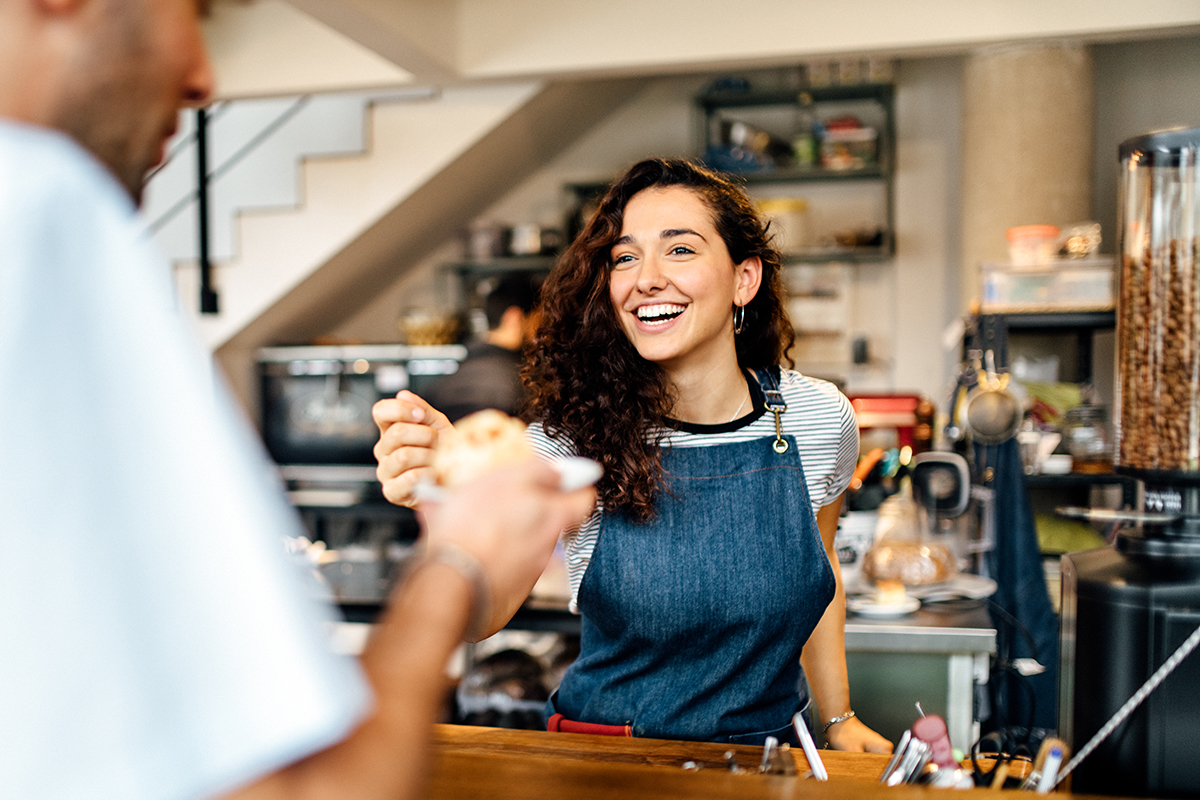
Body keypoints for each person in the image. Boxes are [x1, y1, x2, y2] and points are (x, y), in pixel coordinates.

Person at [0, 1, 593, 799]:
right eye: (195, 9)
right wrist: (456, 559)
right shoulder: (46, 213)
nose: (204, 79)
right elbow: (316, 791)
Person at [372, 158, 894, 752]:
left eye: (679, 250)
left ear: (743, 278)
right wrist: (447, 508)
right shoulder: (571, 444)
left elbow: (819, 571)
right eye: (624, 257)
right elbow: (482, 618)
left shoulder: (818, 419)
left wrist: (839, 718)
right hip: (610, 760)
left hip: (770, 759)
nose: (645, 278)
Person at [423, 275, 539, 422]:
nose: (543, 332)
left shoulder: (440, 387)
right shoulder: (526, 388)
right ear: (514, 318)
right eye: (539, 320)